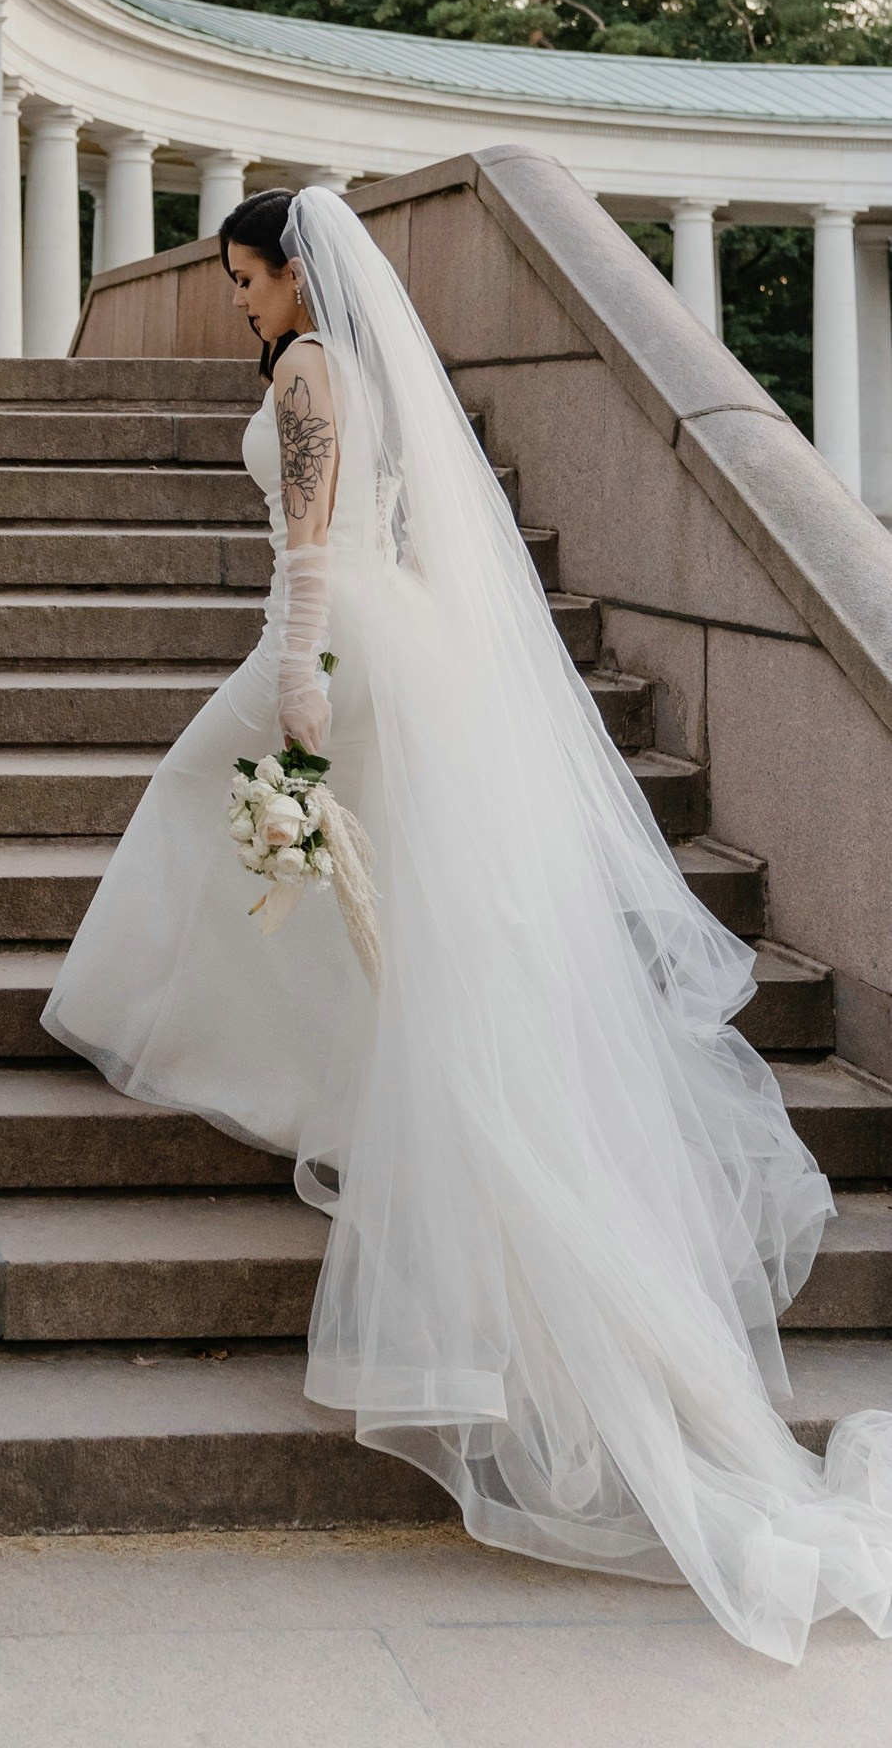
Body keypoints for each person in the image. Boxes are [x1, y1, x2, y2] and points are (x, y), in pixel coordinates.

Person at [44, 181, 892, 1662]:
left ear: (297, 277)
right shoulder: (364, 366)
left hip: (334, 636)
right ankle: (306, 1062)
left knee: (214, 798)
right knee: (361, 896)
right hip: (401, 636)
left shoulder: (312, 370)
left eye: (245, 279)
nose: (238, 304)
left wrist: (300, 673)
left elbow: (309, 525)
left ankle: (176, 1036)